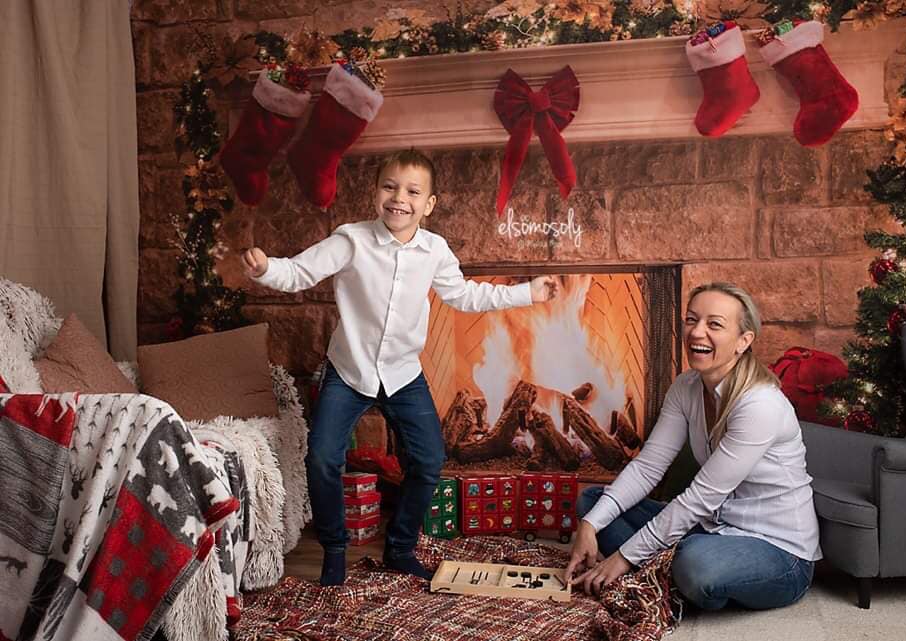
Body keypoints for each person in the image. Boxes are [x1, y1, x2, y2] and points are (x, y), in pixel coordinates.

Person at [243, 148, 558, 585]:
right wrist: (265, 269)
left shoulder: (434, 250)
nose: (399, 198)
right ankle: (334, 550)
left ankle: (400, 547)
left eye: (412, 191)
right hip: (348, 372)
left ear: (428, 204)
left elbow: (466, 296)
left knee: (430, 458)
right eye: (390, 187)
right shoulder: (350, 240)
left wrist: (527, 293)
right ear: (376, 192)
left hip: (403, 374)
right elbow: (298, 272)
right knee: (322, 457)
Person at [564, 282, 820, 610]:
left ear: (744, 341)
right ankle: (663, 565)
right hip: (709, 527)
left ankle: (664, 569)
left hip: (777, 550)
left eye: (714, 324)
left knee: (696, 566)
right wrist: (589, 525)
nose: (697, 333)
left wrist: (623, 559)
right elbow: (648, 466)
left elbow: (699, 499)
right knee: (593, 503)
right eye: (691, 320)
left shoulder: (760, 404)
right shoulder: (685, 387)